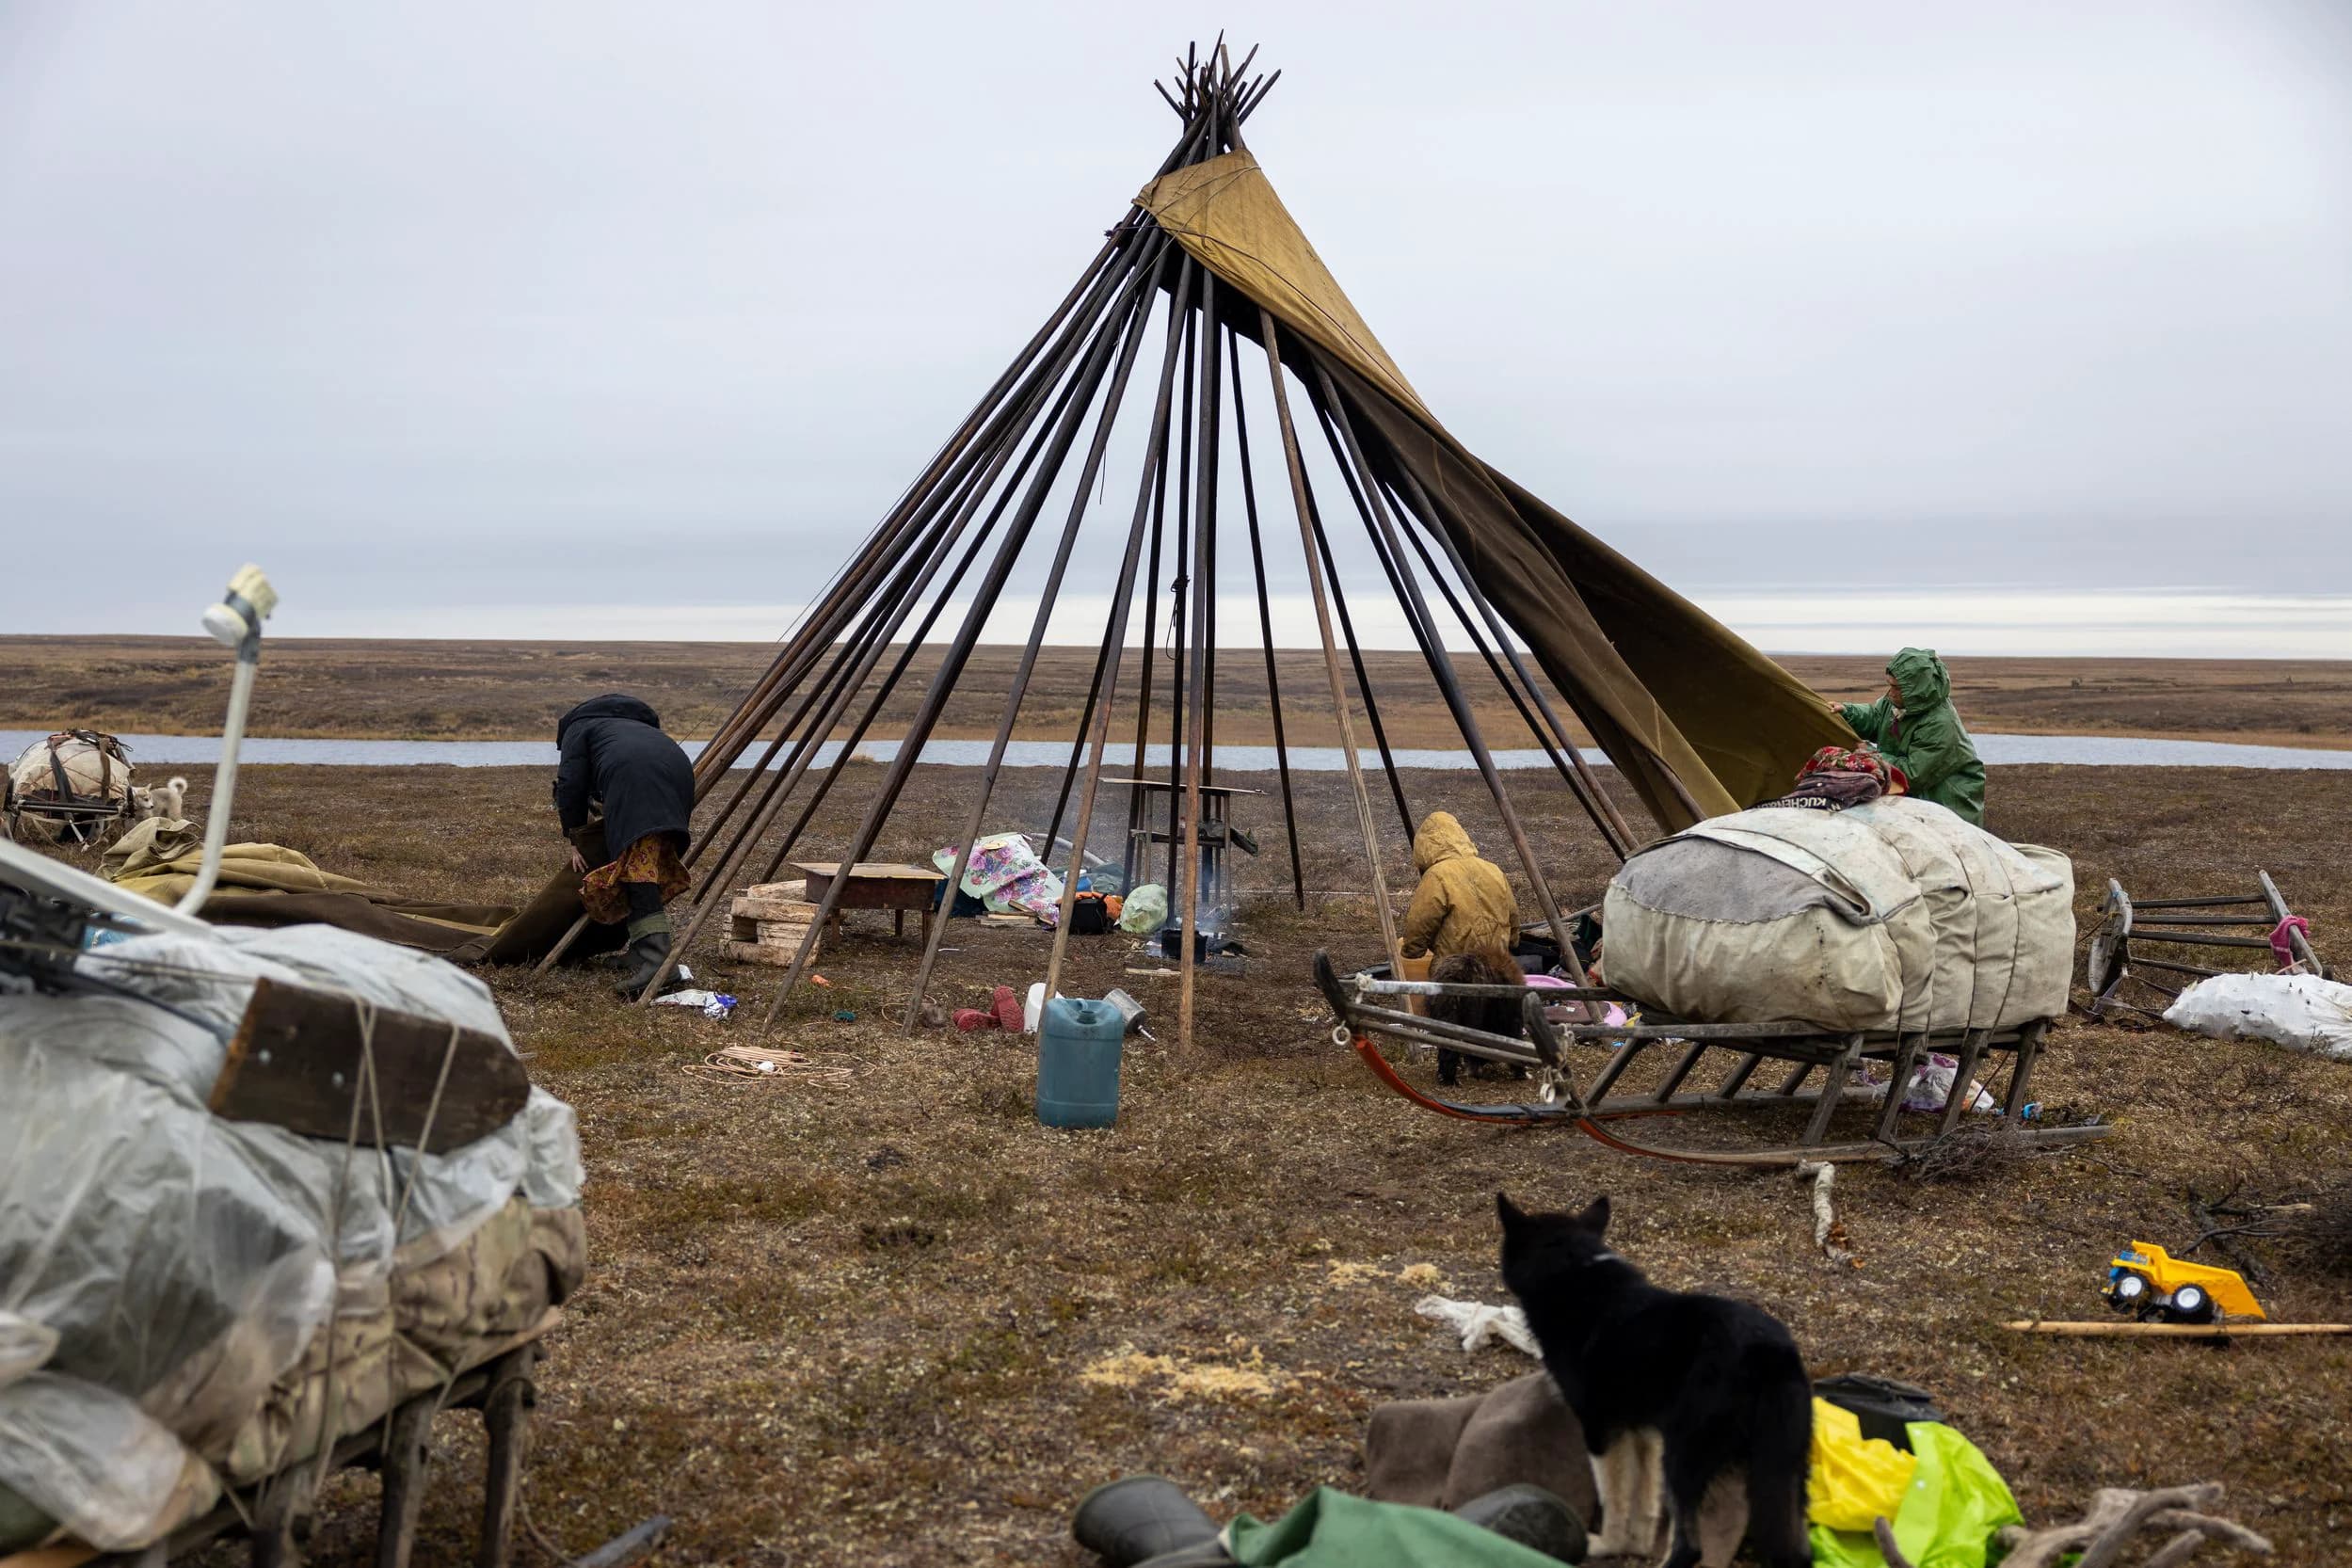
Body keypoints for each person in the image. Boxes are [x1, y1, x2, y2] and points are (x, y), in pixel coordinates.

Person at [552, 695, 696, 997]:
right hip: (680, 774)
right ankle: (642, 950)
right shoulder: (632, 726)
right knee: (646, 856)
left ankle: (659, 961)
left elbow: (570, 784)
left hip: (637, 780)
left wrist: (575, 836)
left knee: (637, 868)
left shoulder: (579, 728)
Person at [1400, 811, 1524, 1087]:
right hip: (1497, 964)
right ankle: (1505, 1065)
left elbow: (1421, 921)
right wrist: (1512, 942)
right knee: (1502, 1016)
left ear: (1424, 847)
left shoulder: (1437, 876)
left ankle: (1449, 1072)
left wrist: (1412, 950)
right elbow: (1513, 915)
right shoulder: (1493, 870)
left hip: (1458, 967)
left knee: (1452, 1020)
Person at [1829, 648, 1986, 825]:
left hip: (1947, 803)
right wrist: (1848, 713)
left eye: (1897, 687)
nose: (1890, 692)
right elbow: (1876, 718)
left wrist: (1871, 756)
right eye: (1890, 685)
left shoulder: (1941, 723)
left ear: (1916, 689)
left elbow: (1914, 774)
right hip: (1919, 796)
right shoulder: (1900, 701)